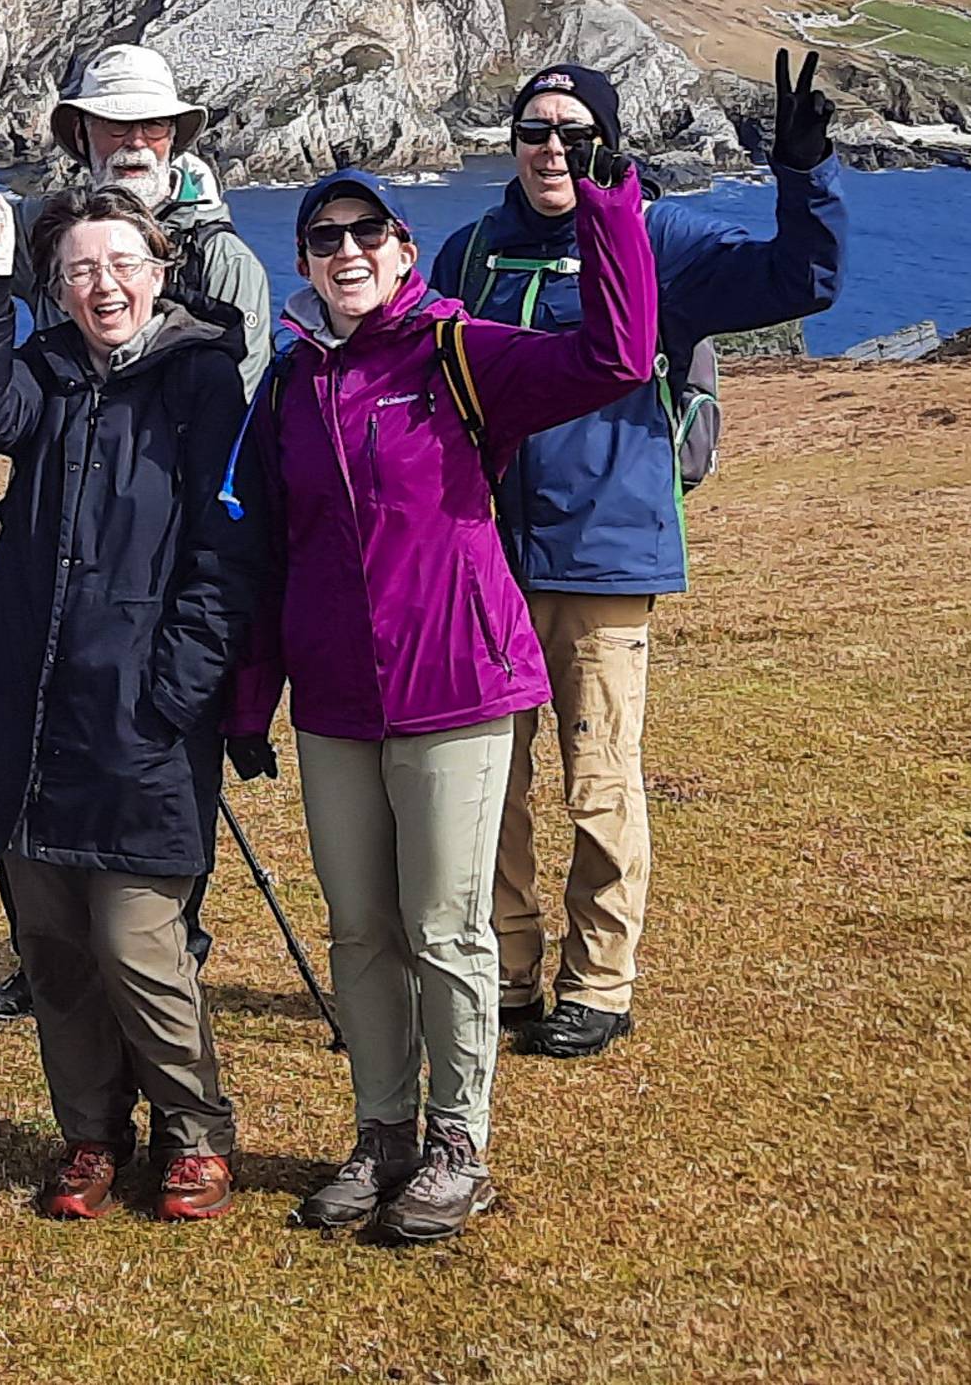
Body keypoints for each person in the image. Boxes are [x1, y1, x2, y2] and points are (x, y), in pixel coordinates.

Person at [221, 156, 655, 1244]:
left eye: (370, 232)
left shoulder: (459, 351)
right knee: (361, 930)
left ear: (406, 250)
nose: (348, 250)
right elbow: (273, 552)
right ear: (306, 264)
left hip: (457, 685)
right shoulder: (289, 385)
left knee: (446, 928)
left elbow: (615, 356)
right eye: (326, 237)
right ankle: (384, 1133)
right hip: (332, 702)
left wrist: (608, 212)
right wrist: (249, 698)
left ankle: (458, 1139)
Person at [429, 53, 844, 1060]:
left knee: (598, 777)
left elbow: (807, 281)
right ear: (513, 144)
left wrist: (806, 174)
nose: (556, 150)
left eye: (577, 133)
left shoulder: (658, 237)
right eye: (537, 131)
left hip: (603, 554)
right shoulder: (470, 251)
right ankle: (508, 972)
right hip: (484, 551)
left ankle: (601, 984)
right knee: (490, 781)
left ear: (607, 144)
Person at [0, 188, 257, 1224]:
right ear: (56, 289)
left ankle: (194, 1132)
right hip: (32, 707)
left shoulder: (203, 380)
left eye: (121, 264)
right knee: (55, 948)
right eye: (78, 270)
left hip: (144, 712)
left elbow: (225, 552)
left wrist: (180, 692)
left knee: (138, 943)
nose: (102, 285)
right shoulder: (48, 369)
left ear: (159, 271)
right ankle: (91, 1134)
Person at [0, 29, 272, 391]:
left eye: (153, 124)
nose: (136, 140)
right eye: (116, 124)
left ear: (172, 137)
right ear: (83, 135)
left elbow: (243, 399)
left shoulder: (221, 259)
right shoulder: (45, 230)